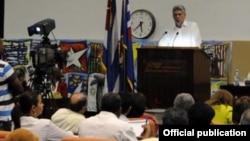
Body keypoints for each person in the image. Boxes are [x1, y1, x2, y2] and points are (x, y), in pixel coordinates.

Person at [78, 92, 151, 141]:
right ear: (120, 109)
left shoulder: (84, 123)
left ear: (101, 106)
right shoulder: (123, 127)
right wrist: (148, 131)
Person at [0, 38, 24, 131]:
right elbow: (19, 88)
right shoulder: (4, 67)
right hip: (4, 117)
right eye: (2, 45)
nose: (3, 47)